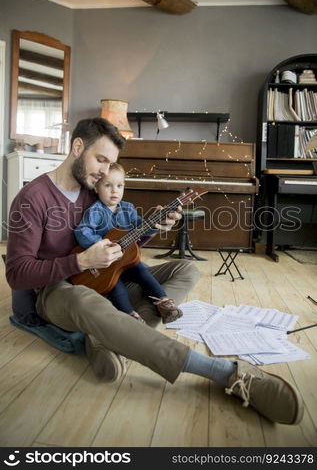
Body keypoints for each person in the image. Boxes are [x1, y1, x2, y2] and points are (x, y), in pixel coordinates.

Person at [5, 117, 303, 426]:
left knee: (185, 270)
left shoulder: (91, 190)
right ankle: (227, 373)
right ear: (77, 147)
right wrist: (79, 262)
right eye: (101, 160)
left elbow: (118, 245)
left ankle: (110, 340)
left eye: (111, 165)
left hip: (105, 280)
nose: (106, 173)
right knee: (82, 300)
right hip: (57, 290)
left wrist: (150, 230)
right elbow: (16, 274)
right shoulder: (32, 199)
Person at [74, 162, 183, 324]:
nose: (114, 190)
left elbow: (140, 228)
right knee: (114, 285)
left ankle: (164, 303)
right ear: (96, 188)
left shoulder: (128, 208)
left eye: (119, 185)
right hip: (103, 265)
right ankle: (129, 315)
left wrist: (154, 223)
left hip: (125, 260)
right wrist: (104, 245)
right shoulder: (95, 210)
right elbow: (82, 232)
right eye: (108, 185)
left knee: (141, 270)